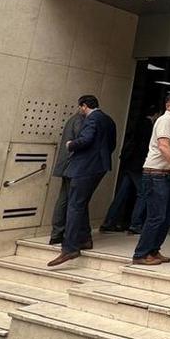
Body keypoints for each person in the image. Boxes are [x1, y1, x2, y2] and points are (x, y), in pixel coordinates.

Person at [48, 95, 117, 267]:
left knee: (74, 204)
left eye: (80, 108)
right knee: (81, 202)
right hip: (99, 166)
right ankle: (85, 238)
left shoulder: (91, 119)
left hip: (84, 167)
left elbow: (86, 139)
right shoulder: (108, 120)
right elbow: (112, 144)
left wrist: (71, 144)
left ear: (84, 106)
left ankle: (70, 247)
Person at [131, 92, 170, 266]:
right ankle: (141, 253)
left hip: (168, 175)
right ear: (168, 105)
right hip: (157, 174)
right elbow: (164, 146)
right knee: (156, 216)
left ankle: (154, 250)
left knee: (166, 216)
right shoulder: (165, 121)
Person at [102, 105, 160, 233]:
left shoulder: (136, 124)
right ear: (155, 114)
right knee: (143, 193)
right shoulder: (148, 127)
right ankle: (135, 224)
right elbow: (145, 147)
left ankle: (109, 222)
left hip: (128, 163)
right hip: (137, 165)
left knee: (122, 194)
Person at [48, 108, 85, 246]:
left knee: (64, 198)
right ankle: (64, 233)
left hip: (66, 164)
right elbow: (81, 141)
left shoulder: (72, 119)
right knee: (71, 200)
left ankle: (57, 232)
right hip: (72, 164)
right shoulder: (79, 121)